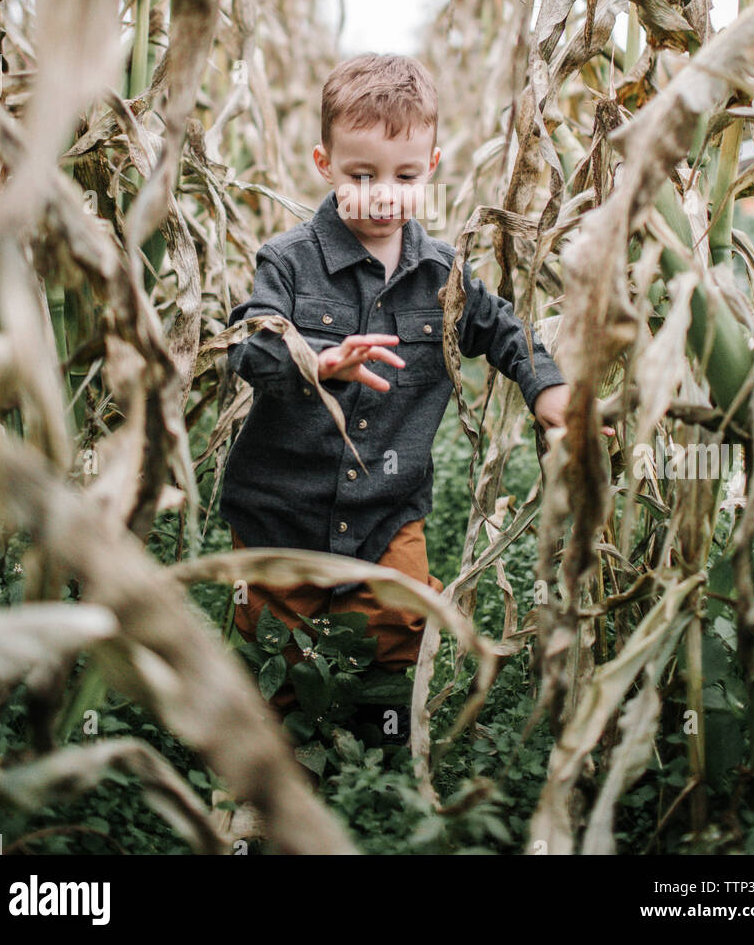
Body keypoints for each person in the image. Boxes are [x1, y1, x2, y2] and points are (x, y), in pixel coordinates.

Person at [220, 52, 574, 723]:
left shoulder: (442, 274)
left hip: (387, 510)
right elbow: (249, 343)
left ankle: (380, 752)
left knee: (400, 631)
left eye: (405, 176)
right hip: (279, 508)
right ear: (324, 164)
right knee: (274, 654)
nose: (384, 194)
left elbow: (503, 331)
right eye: (362, 175)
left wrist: (547, 390)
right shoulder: (288, 261)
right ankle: (276, 767)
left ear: (432, 168)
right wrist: (316, 360)